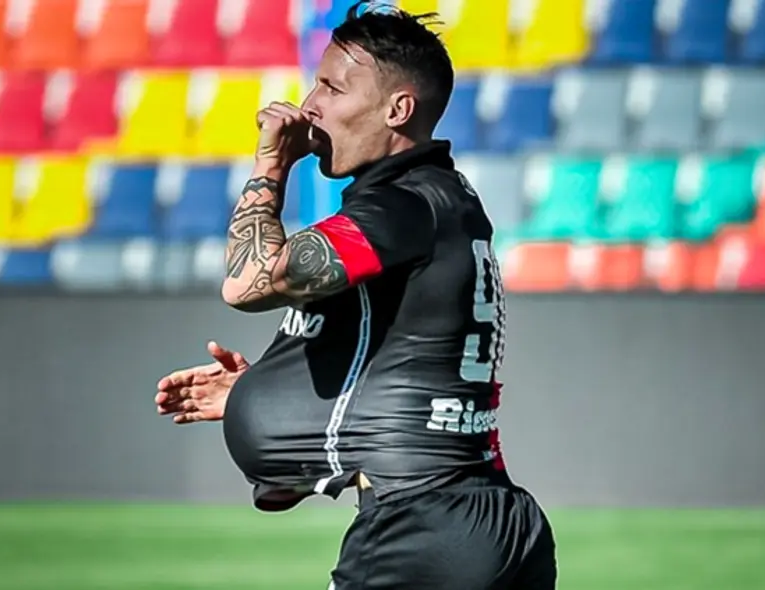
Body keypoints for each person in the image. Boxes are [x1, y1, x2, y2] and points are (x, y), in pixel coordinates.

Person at [153, 2, 557, 588]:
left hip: (421, 530)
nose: (310, 106)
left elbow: (249, 282)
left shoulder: (402, 205)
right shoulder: (438, 201)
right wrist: (264, 395)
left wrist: (271, 165)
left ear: (397, 109)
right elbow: (397, 365)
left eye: (332, 89)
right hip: (485, 521)